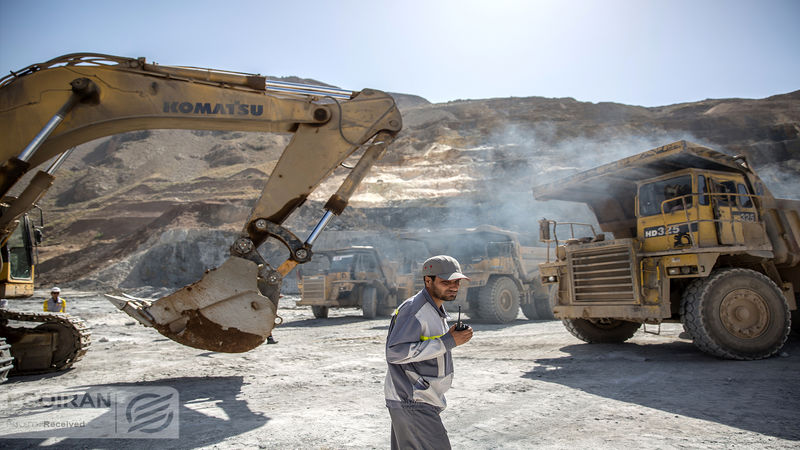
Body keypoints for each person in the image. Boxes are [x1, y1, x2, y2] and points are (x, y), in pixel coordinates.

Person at [384, 255, 474, 450]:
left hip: (418, 401)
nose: (453, 286)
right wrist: (448, 341)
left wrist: (450, 338)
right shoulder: (415, 310)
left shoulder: (434, 309)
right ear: (428, 280)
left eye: (456, 281)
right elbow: (395, 352)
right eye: (445, 282)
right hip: (413, 401)